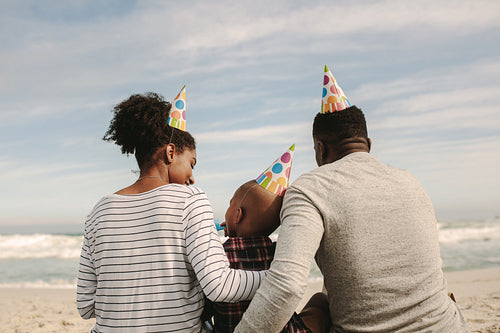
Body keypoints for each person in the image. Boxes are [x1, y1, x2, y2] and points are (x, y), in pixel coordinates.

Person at [235, 68, 467, 332]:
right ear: (367, 143)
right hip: (448, 326)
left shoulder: (310, 188)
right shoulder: (411, 181)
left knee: (319, 301)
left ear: (320, 148)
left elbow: (287, 285)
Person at [76, 92, 266, 333]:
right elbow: (221, 287)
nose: (192, 176)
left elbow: (85, 306)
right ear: (170, 152)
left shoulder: (98, 211)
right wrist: (280, 275)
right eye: (191, 163)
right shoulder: (190, 199)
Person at [206, 179, 331, 333]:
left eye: (230, 204)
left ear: (238, 215)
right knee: (320, 300)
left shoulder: (219, 254)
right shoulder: (280, 253)